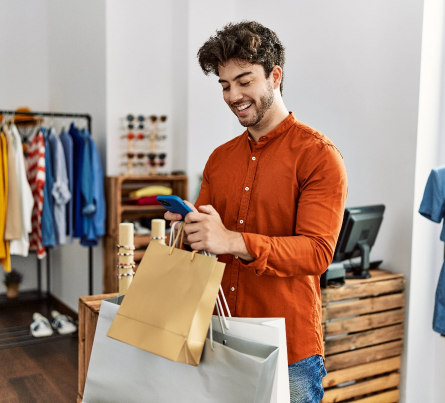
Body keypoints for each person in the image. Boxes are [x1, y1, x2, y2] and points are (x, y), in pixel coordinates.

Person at [164, 21, 347, 403]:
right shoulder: (219, 159)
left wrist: (233, 240)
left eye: (244, 81)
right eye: (225, 85)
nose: (233, 95)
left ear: (274, 75)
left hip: (289, 352)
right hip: (218, 336)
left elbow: (316, 253)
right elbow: (204, 242)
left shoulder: (318, 156)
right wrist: (188, 229)